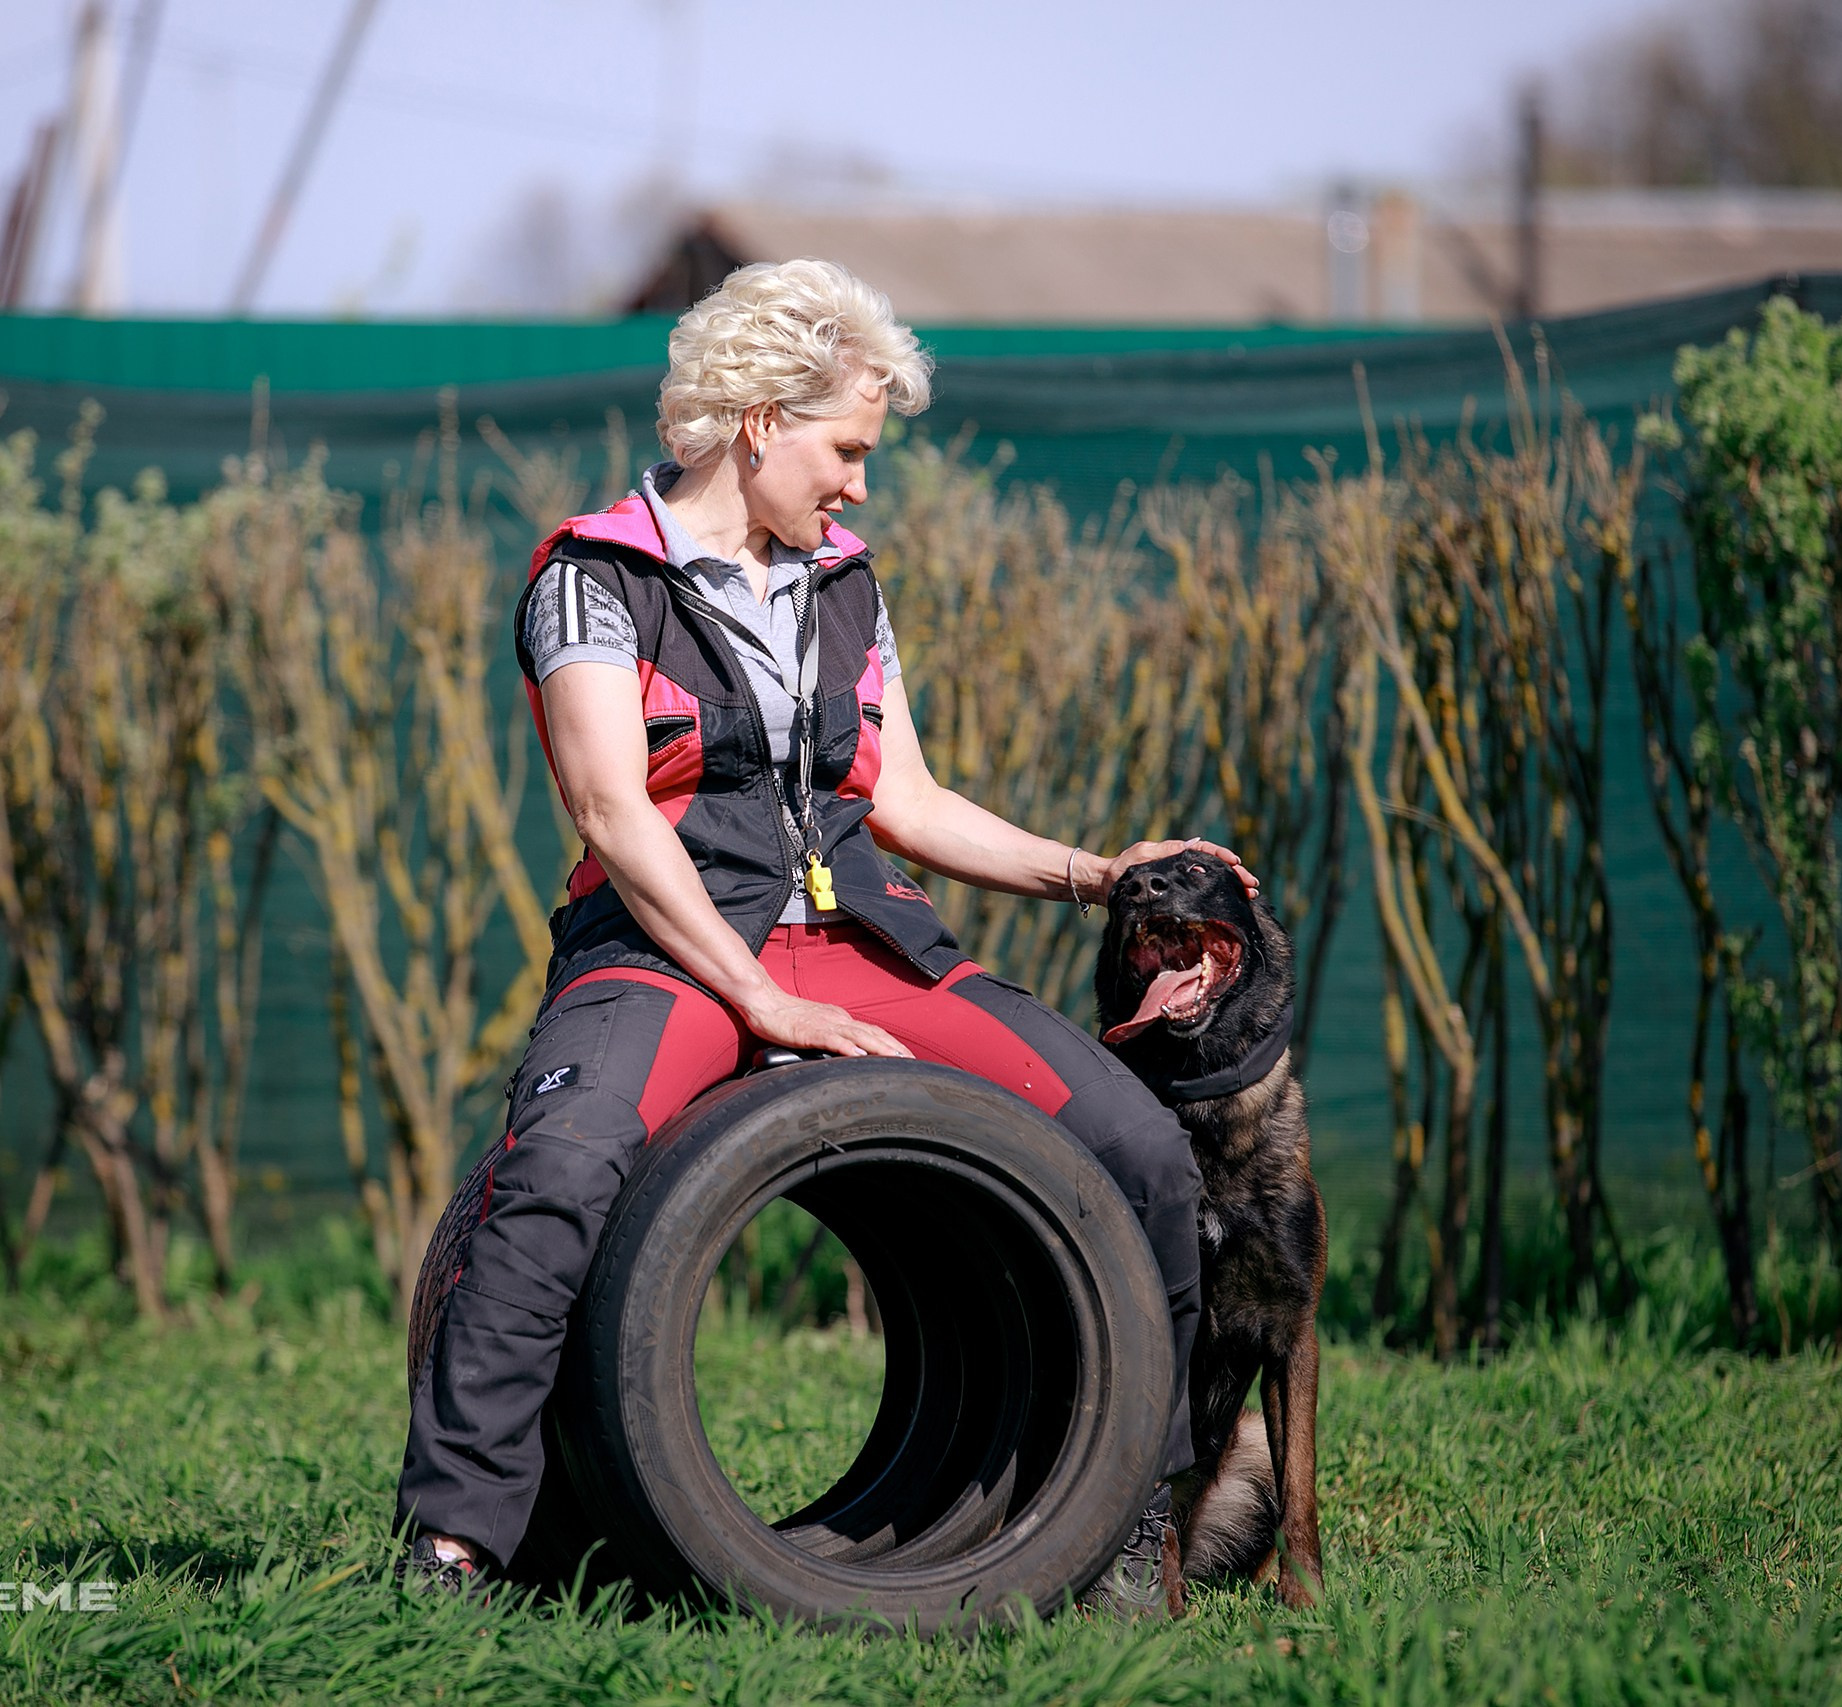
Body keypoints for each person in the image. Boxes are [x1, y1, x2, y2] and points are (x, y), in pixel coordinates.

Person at [395, 257, 1256, 1609]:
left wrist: (1100, 873)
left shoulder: (848, 581)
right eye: (848, 447)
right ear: (759, 420)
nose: (859, 482)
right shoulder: (592, 577)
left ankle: (1123, 1528)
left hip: (865, 944)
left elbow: (901, 798)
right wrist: (755, 997)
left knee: (1140, 1150)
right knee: (559, 1168)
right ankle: (454, 1549)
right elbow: (617, 814)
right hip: (666, 949)